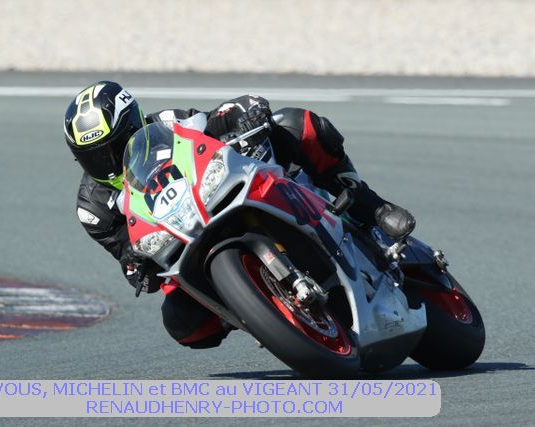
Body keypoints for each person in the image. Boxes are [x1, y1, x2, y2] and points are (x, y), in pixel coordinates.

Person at [64, 81, 415, 349]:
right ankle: (252, 308)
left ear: (134, 123)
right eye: (93, 156)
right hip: (183, 243)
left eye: (114, 147)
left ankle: (372, 206)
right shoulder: (93, 209)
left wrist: (246, 112)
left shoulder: (168, 125)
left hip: (223, 193)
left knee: (294, 123)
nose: (108, 163)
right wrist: (136, 265)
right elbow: (129, 256)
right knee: (182, 323)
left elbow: (218, 118)